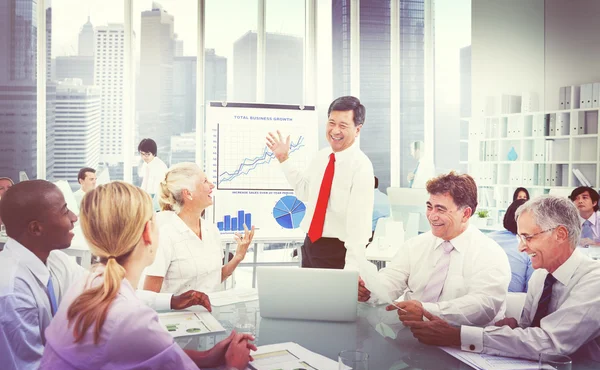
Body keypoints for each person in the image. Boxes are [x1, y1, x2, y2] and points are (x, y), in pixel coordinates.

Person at [37, 182, 255, 370]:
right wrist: (235, 367)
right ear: (148, 233)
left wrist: (206, 356)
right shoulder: (130, 318)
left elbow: (145, 353)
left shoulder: (86, 284)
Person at [0, 180, 212, 370]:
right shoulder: (10, 291)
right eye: (65, 212)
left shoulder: (57, 262)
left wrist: (171, 301)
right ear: (36, 228)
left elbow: (108, 291)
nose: (74, 218)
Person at [403, 196, 600, 362]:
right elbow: (527, 332)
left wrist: (457, 336)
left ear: (560, 234)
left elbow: (550, 343)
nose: (521, 248)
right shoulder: (540, 276)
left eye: (528, 237)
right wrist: (512, 327)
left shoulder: (594, 281)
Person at [358, 172, 511, 327]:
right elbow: (392, 279)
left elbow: (483, 306)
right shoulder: (415, 246)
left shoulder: (489, 253)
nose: (432, 216)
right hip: (411, 337)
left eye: (441, 209)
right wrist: (369, 290)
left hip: (463, 345)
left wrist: (426, 311)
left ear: (465, 214)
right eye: (429, 207)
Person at [266, 96, 374, 269]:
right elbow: (304, 192)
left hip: (339, 252)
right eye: (331, 123)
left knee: (333, 297)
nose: (335, 130)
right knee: (310, 296)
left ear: (357, 129)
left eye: (343, 125)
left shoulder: (361, 167)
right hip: (311, 244)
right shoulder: (322, 156)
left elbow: (359, 227)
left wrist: (352, 270)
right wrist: (284, 159)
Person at [143, 162, 255, 295]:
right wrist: (176, 303)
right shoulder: (166, 236)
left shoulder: (212, 230)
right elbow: (149, 296)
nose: (212, 185)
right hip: (176, 316)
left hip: (209, 313)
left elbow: (213, 279)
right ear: (188, 194)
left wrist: (238, 257)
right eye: (205, 181)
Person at [487, 199, 534, 292]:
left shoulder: (488, 238)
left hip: (482, 298)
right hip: (514, 301)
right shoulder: (529, 247)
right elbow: (532, 288)